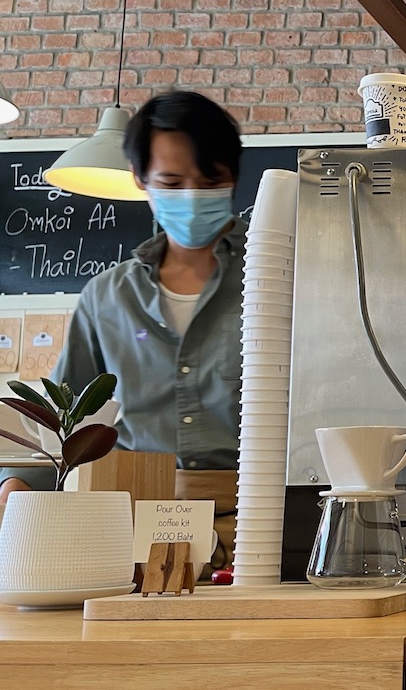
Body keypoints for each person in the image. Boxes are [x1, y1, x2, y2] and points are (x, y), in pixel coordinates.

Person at [0, 91, 245, 565]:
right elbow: (62, 419)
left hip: (262, 521)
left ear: (233, 178)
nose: (191, 196)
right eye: (171, 181)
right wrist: (16, 483)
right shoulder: (106, 297)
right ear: (141, 180)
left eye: (209, 179)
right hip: (128, 521)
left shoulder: (278, 279)